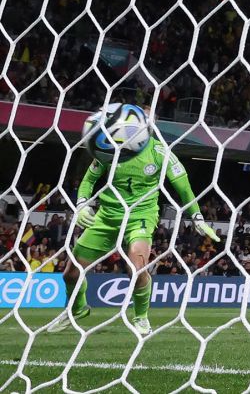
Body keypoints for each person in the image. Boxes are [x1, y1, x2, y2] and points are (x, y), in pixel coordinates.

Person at [47, 105, 219, 336]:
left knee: (136, 268)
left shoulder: (161, 153)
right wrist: (81, 205)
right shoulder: (111, 149)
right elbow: (88, 181)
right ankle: (76, 310)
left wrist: (197, 217)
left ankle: (141, 318)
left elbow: (184, 189)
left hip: (141, 216)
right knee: (70, 273)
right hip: (107, 216)